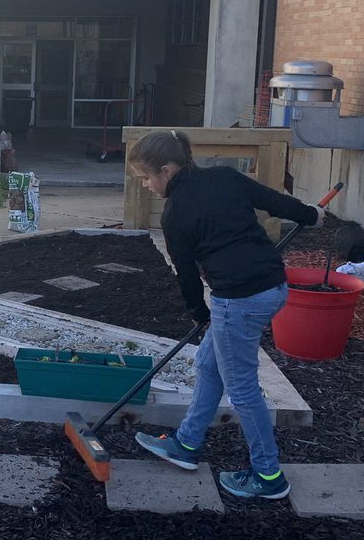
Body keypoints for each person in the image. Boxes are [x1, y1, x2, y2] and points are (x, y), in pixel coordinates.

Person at [128, 129, 323, 500]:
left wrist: (197, 312)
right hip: (272, 286)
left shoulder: (175, 214)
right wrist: (311, 215)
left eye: (146, 177)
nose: (145, 185)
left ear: (167, 171)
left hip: (239, 299)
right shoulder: (224, 177)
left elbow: (185, 273)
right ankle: (186, 444)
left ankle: (269, 477)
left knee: (243, 388)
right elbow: (276, 202)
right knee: (207, 364)